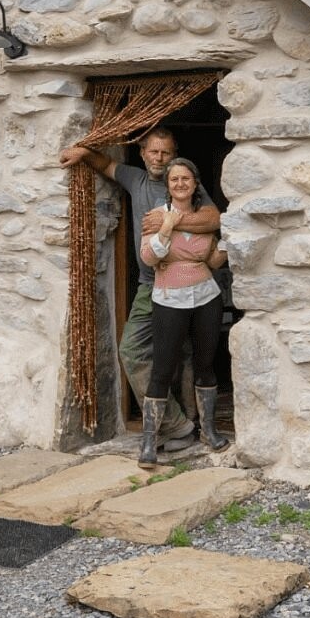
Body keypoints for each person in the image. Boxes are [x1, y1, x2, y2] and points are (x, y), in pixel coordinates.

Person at [59, 127, 218, 453]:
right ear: (143, 153)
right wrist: (84, 154)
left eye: (166, 153)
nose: (159, 159)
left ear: (175, 154)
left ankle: (197, 427)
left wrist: (168, 223)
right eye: (153, 152)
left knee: (192, 357)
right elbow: (107, 166)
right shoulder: (137, 180)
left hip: (195, 286)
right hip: (151, 287)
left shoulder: (189, 185)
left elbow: (214, 220)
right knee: (133, 351)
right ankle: (177, 424)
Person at [139, 158, 230, 465]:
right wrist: (167, 225)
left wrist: (229, 240)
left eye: (185, 179)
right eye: (174, 180)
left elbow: (213, 262)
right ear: (168, 186)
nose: (180, 184)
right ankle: (149, 443)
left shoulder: (205, 217)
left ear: (195, 183)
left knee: (206, 364)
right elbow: (150, 257)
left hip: (206, 296)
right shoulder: (156, 216)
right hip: (169, 298)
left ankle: (209, 432)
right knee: (163, 369)